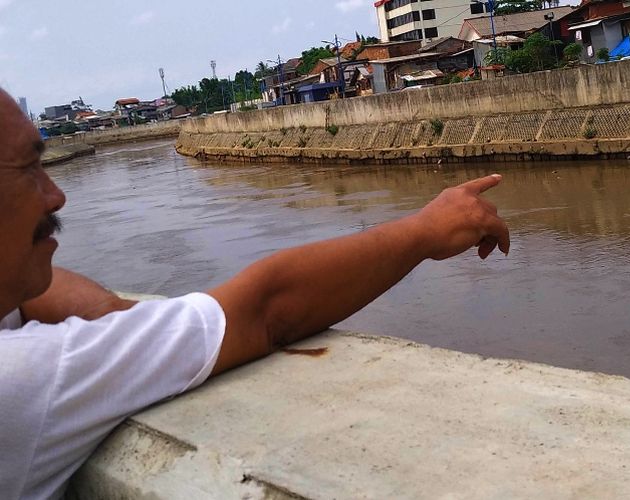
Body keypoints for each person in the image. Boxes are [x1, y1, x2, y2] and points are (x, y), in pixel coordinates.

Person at [0, 88, 510, 499]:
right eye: (29, 168)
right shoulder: (22, 381)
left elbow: (36, 293)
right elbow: (266, 311)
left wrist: (118, 322)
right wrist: (424, 230)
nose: (56, 194)